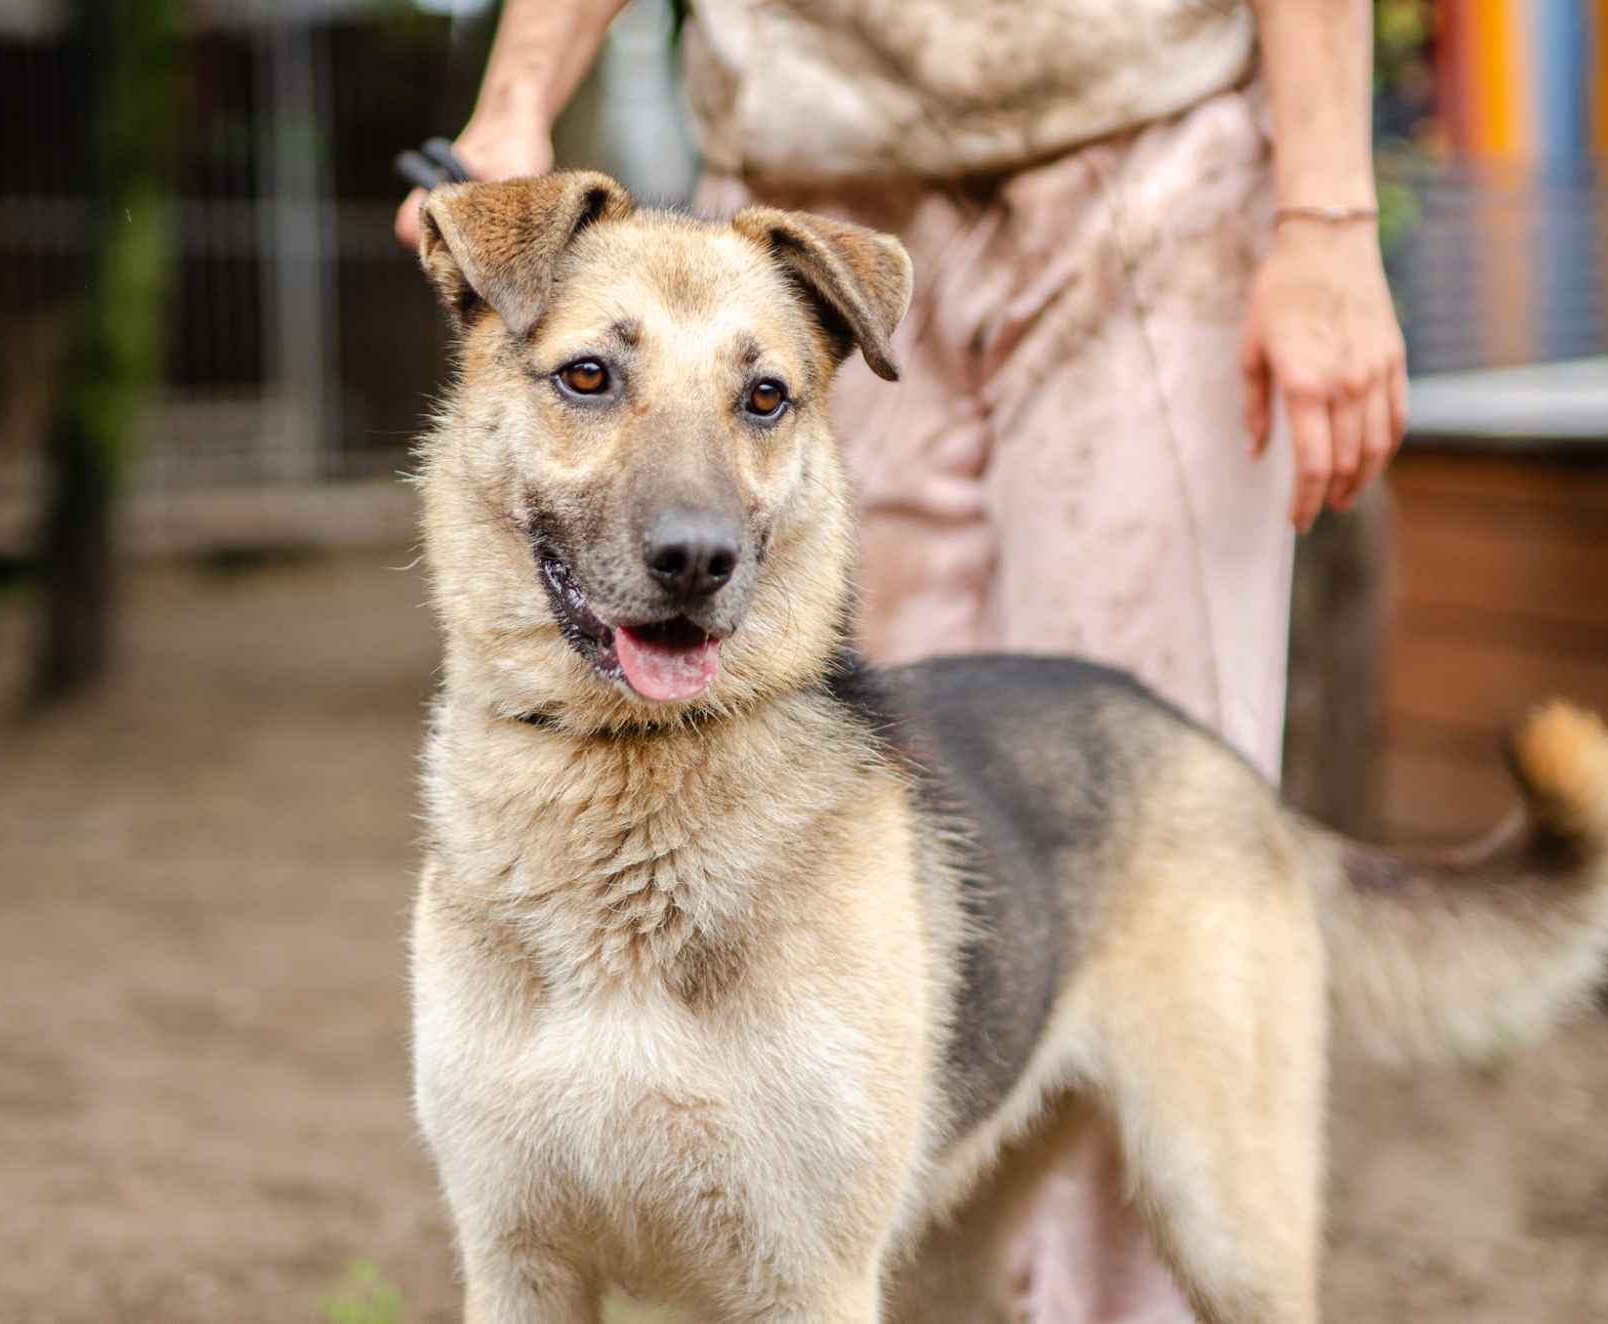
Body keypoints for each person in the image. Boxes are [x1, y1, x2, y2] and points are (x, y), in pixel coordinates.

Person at [397, 1, 1407, 1319]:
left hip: (1149, 161)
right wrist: (518, 93)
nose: (694, 532)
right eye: (592, 381)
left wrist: (1326, 215)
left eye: (761, 404)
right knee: (924, 1255)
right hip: (806, 147)